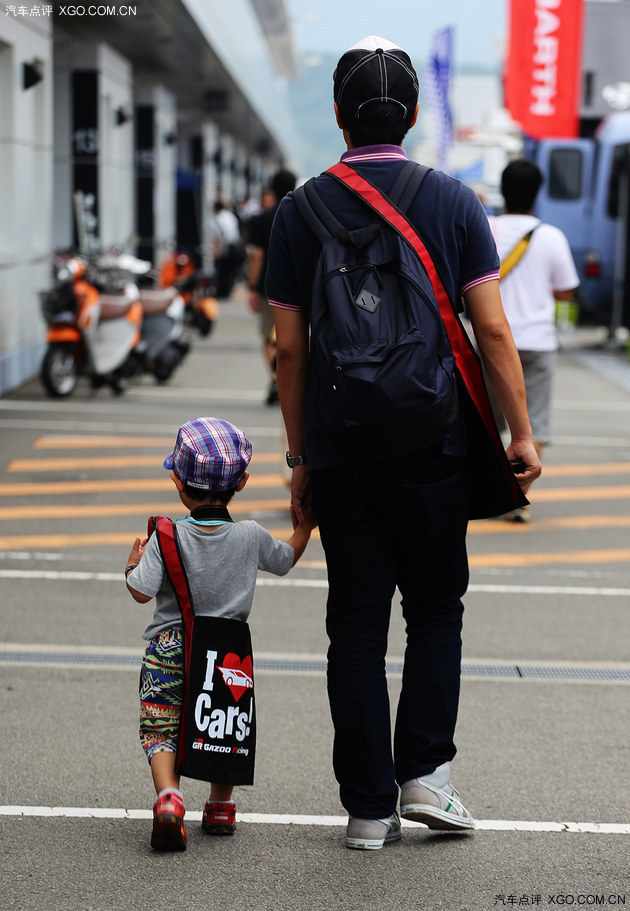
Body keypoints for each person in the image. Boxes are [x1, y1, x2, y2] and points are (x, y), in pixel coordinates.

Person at [266, 36, 541, 851]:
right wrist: (519, 433)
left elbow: (289, 349)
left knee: (353, 625)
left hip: (342, 450)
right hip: (436, 444)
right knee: (434, 612)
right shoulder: (454, 202)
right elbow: (491, 329)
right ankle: (428, 776)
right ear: (414, 115)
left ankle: (365, 807)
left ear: (340, 116)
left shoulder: (298, 211)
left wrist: (299, 459)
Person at [125, 416, 315, 851]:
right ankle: (220, 807)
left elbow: (139, 591)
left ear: (177, 481)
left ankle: (170, 798)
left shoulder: (166, 536)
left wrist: (132, 564)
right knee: (223, 726)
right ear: (242, 482)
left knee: (160, 725)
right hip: (226, 652)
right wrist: (305, 528)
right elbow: (285, 560)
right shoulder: (250, 535)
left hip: (169, 648)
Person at [489, 158, 579, 521]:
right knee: (534, 424)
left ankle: (496, 489)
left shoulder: (486, 227)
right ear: (537, 193)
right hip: (538, 343)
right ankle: (518, 494)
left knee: (491, 421)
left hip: (492, 340)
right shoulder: (551, 236)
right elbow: (567, 291)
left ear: (503, 190)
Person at [247, 169, 297, 404]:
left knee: (269, 335)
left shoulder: (262, 218)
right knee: (294, 336)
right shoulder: (302, 215)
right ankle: (291, 380)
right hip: (298, 285)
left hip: (269, 286)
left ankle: (276, 380)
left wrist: (252, 286)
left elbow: (256, 255)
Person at [210, 198, 243, 299]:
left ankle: (222, 292)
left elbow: (217, 238)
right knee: (230, 272)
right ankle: (228, 291)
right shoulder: (230, 216)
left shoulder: (216, 218)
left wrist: (216, 253)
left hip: (225, 249)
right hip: (235, 246)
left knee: (222, 272)